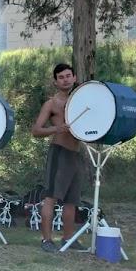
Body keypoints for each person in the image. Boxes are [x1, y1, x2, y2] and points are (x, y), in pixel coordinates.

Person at [31, 63, 84, 253]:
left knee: (72, 200)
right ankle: (46, 240)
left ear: (75, 78)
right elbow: (36, 130)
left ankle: (68, 239)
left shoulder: (81, 100)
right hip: (59, 152)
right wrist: (56, 128)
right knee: (51, 197)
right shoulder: (51, 104)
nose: (66, 79)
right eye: (61, 77)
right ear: (55, 82)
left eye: (69, 75)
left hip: (76, 154)